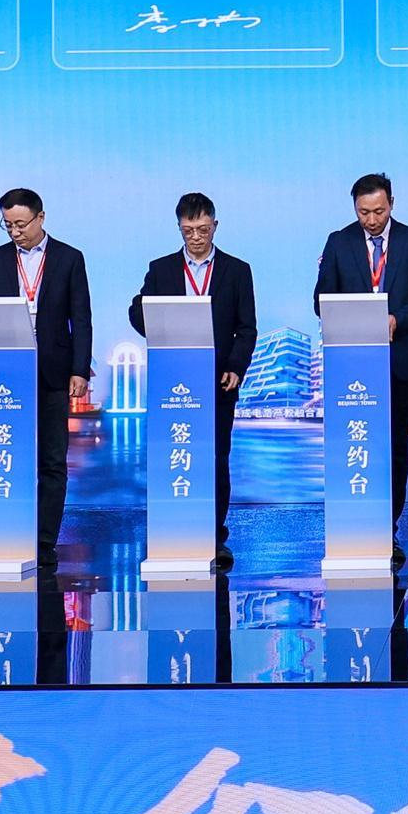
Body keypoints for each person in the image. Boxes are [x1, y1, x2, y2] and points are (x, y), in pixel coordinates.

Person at [311, 173, 408, 550]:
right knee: (357, 443)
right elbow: (321, 300)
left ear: (392, 204)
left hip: (400, 359)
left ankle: (388, 528)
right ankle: (354, 524)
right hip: (353, 366)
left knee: (396, 446)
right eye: (363, 212)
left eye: (378, 211)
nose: (371, 220)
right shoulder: (339, 242)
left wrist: (398, 319)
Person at [131, 191, 257, 564]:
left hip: (218, 382)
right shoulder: (161, 269)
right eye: (188, 230)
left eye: (203, 229)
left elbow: (246, 328)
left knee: (215, 458)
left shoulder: (237, 270)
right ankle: (173, 531)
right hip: (174, 384)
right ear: (179, 228)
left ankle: (214, 537)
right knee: (175, 454)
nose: (196, 237)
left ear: (215, 226)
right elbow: (137, 311)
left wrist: (235, 367)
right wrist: (159, 325)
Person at [0, 187, 94, 568]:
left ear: (41, 217)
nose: (15, 232)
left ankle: (43, 542)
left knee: (52, 460)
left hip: (54, 371)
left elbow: (81, 318)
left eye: (21, 224)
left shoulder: (70, 258)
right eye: (7, 225)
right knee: (7, 456)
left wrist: (79, 369)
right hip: (6, 376)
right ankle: (6, 534)